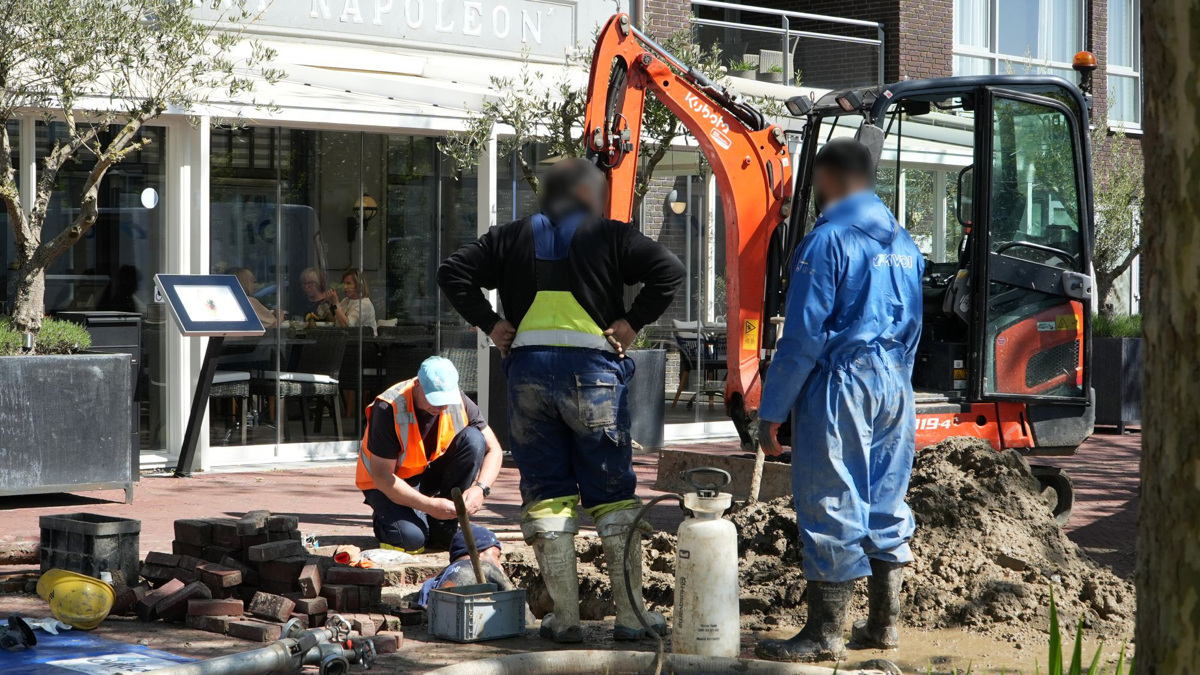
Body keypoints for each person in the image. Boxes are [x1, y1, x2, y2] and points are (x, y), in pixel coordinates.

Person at [437, 158, 684, 643]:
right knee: (613, 493)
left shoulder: (509, 236)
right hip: (594, 376)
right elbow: (669, 270)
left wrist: (492, 324)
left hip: (528, 376)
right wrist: (632, 322)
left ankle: (565, 618)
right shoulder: (611, 235)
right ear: (587, 194)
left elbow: (453, 271)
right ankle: (632, 617)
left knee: (548, 492)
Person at [754, 138, 924, 662]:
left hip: (843, 382)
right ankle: (882, 625)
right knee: (885, 500)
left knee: (831, 498)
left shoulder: (827, 240)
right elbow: (914, 321)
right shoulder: (904, 243)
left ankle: (824, 635)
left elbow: (803, 336)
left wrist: (771, 411)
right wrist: (894, 383)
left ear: (828, 178)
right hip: (896, 382)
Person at [356, 356, 504, 553]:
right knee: (411, 539)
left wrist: (481, 488)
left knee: (474, 439)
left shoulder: (459, 400)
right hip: (386, 484)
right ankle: (387, 517)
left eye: (445, 400)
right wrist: (429, 505)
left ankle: (443, 524)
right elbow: (382, 476)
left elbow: (494, 449)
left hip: (425, 474)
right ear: (417, 384)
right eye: (435, 399)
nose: (441, 407)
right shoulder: (388, 408)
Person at [416, 525, 515, 608]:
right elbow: (515, 601)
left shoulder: (430, 583)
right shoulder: (471, 567)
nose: (501, 566)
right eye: (497, 556)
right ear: (478, 553)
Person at [326, 269, 378, 335]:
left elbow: (347, 326)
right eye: (344, 284)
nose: (345, 287)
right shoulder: (346, 300)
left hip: (365, 340)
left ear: (359, 286)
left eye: (348, 283)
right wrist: (327, 308)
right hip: (348, 339)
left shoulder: (365, 304)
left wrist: (336, 303)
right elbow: (337, 321)